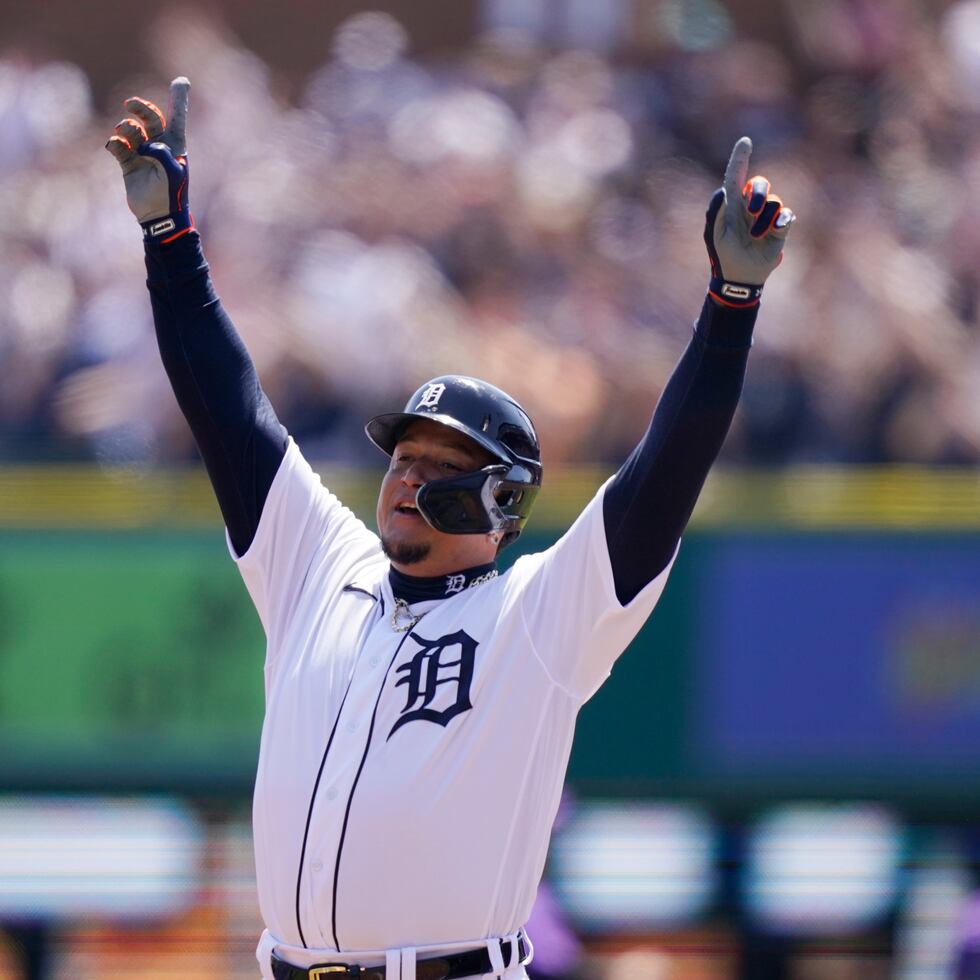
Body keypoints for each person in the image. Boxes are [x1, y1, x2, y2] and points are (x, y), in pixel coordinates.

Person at [106, 76, 792, 980]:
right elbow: (228, 409)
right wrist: (169, 242)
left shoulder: (539, 618)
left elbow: (662, 476)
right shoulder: (317, 564)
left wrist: (730, 309)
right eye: (404, 454)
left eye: (442, 464)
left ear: (501, 502)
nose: (408, 476)